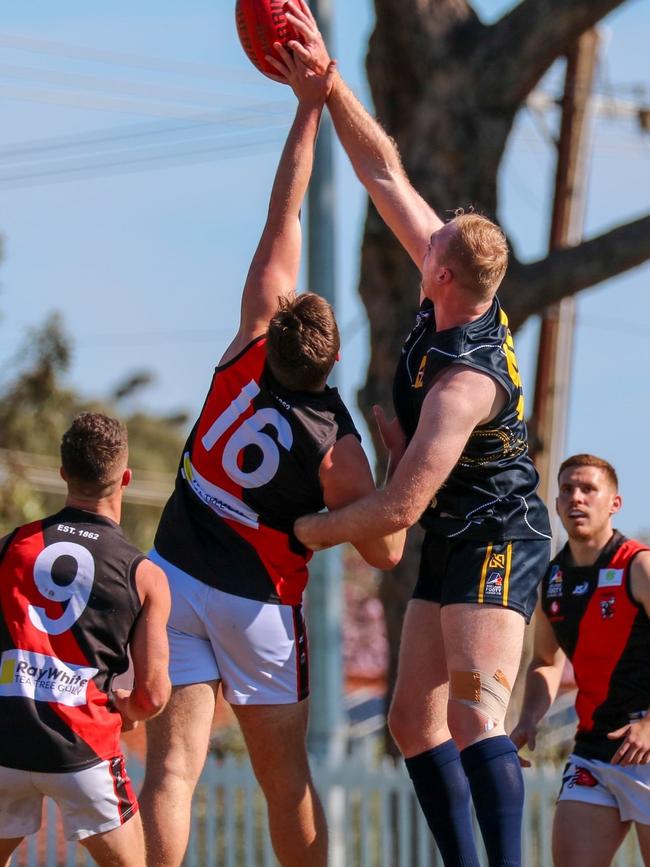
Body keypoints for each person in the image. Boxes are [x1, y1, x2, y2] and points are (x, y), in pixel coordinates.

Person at [268, 4, 552, 865]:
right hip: (459, 529)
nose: (418, 241)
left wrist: (306, 530)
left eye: (431, 244)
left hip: (499, 531)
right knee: (407, 721)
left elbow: (397, 506)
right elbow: (384, 170)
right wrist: (330, 85)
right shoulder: (454, 277)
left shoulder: (467, 380)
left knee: (472, 712)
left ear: (441, 269)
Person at [139, 51, 405, 867]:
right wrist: (389, 462)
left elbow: (283, 210)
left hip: (178, 573)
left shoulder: (250, 342)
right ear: (327, 364)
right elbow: (386, 545)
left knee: (172, 772)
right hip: (258, 602)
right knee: (283, 781)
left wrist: (307, 108)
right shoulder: (337, 442)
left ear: (281, 319)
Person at [0, 412, 171, 867]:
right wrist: (127, 709)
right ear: (126, 479)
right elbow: (153, 696)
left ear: (62, 475)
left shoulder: (9, 547)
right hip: (84, 749)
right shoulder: (145, 575)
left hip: (5, 741)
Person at [511, 454, 650, 867]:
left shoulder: (637, 565)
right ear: (555, 504)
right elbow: (544, 661)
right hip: (593, 752)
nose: (577, 497)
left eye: (589, 489)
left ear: (614, 503)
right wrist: (528, 718)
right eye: (567, 488)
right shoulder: (551, 580)